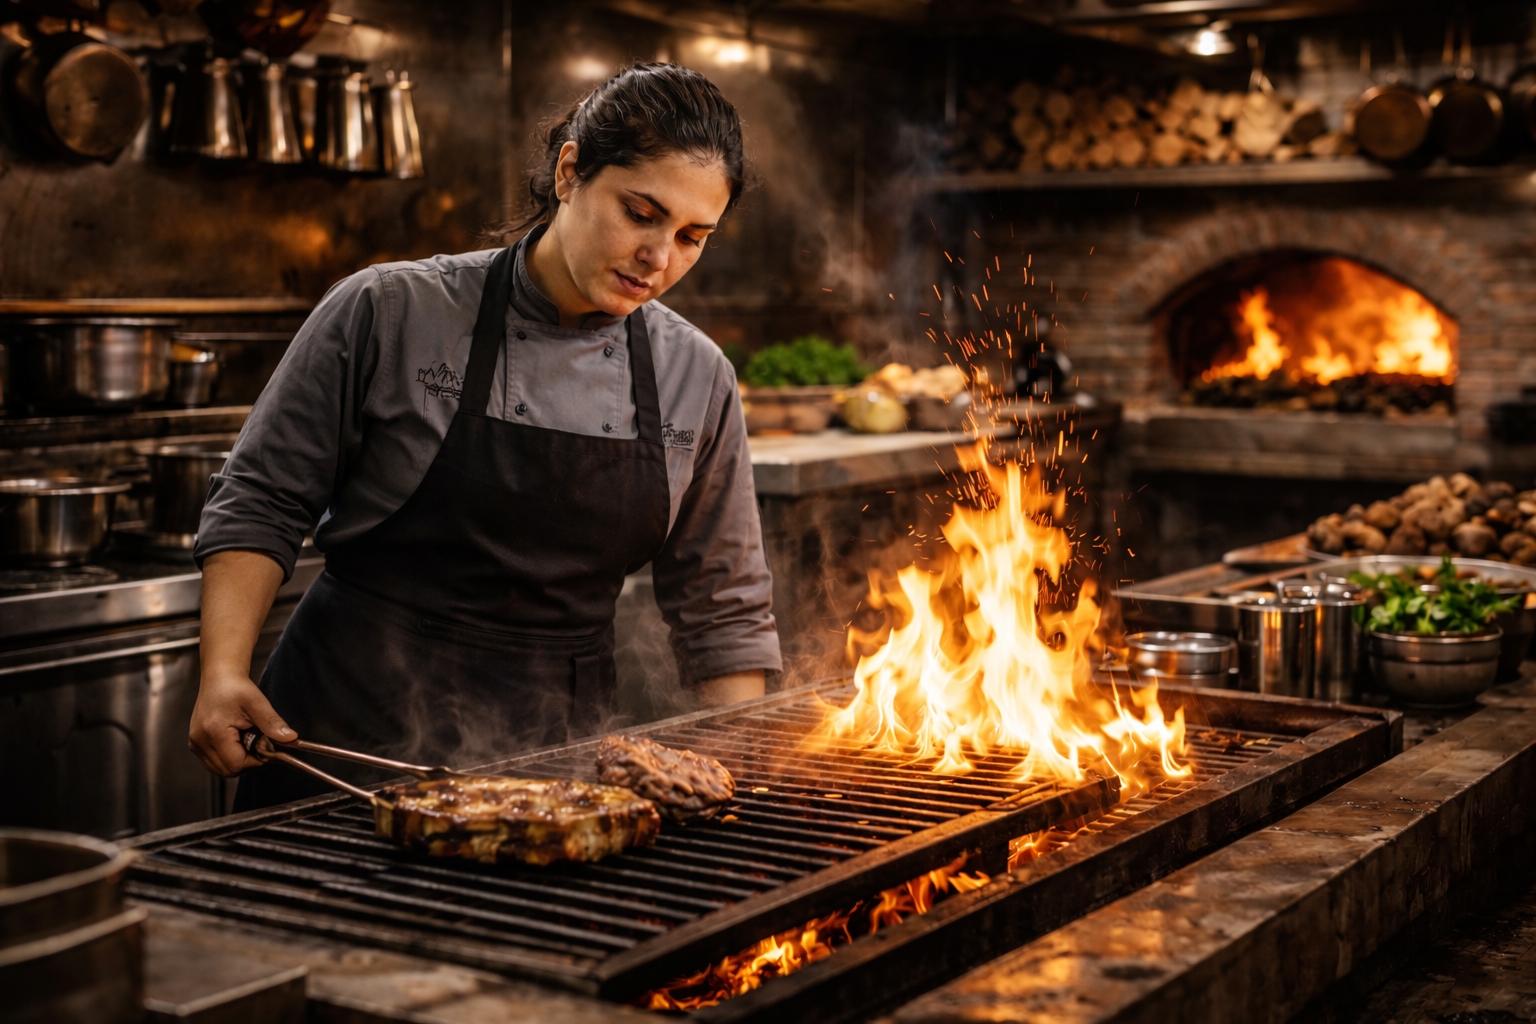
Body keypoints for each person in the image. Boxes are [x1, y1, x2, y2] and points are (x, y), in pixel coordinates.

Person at [188, 63, 780, 809]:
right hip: (343, 739)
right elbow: (262, 499)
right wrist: (223, 674)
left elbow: (720, 604)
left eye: (693, 236)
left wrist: (736, 766)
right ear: (570, 171)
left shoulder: (697, 374)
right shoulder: (390, 310)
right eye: (640, 213)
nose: (659, 259)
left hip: (552, 764)